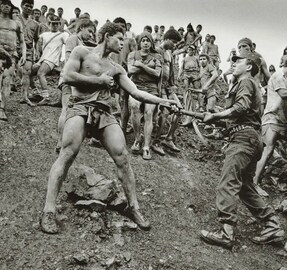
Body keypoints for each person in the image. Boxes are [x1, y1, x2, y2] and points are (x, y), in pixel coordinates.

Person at [40, 22, 178, 234]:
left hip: (104, 113)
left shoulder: (117, 68)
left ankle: (134, 208)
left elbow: (137, 93)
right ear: (107, 37)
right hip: (80, 107)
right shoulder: (81, 52)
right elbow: (67, 76)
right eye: (119, 38)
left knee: (123, 156)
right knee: (67, 153)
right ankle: (48, 211)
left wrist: (165, 101)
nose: (123, 42)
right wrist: (99, 80)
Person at [199, 51, 285, 249]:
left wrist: (216, 115)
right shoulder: (248, 85)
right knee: (245, 187)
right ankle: (272, 225)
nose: (234, 63)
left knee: (228, 182)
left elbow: (241, 107)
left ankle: (226, 233)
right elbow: (241, 116)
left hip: (243, 139)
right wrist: (213, 118)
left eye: (239, 61)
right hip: (252, 138)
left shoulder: (245, 83)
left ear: (249, 67)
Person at [253, 52, 287, 189]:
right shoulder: (278, 76)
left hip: (282, 123)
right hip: (271, 119)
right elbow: (283, 95)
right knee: (268, 149)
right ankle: (253, 183)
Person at [56, 19, 96, 152]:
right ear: (82, 27)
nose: (91, 35)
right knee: (66, 109)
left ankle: (66, 142)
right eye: (89, 31)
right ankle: (60, 142)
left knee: (72, 112)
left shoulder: (83, 43)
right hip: (69, 80)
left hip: (77, 81)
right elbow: (68, 60)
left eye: (93, 33)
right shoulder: (73, 39)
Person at [128, 31, 162, 160]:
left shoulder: (157, 56)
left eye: (148, 40)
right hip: (135, 87)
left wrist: (141, 65)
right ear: (139, 42)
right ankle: (137, 139)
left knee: (149, 113)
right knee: (135, 107)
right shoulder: (132, 54)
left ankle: (146, 147)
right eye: (143, 40)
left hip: (151, 89)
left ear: (152, 43)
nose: (146, 42)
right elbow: (130, 70)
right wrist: (149, 68)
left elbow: (157, 74)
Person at [151, 29, 183, 155]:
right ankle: (156, 141)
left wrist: (172, 85)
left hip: (167, 87)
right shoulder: (157, 50)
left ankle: (168, 138)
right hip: (158, 87)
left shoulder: (170, 53)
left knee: (179, 110)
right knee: (164, 111)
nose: (175, 45)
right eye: (173, 41)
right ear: (166, 39)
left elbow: (169, 72)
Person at [32, 15, 69, 105]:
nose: (55, 25)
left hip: (52, 59)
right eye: (53, 24)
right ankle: (37, 92)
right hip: (43, 58)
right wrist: (37, 52)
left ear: (59, 24)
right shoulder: (44, 34)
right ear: (49, 24)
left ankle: (46, 97)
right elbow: (37, 41)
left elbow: (69, 44)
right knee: (29, 72)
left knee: (40, 74)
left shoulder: (63, 34)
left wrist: (65, 59)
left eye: (57, 24)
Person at [0, 0, 26, 120]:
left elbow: (22, 41)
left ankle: (2, 109)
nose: (6, 6)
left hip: (11, 55)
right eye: (3, 4)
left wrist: (24, 54)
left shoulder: (16, 23)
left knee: (6, 81)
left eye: (8, 5)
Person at [18, 0, 39, 107]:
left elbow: (36, 40)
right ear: (22, 6)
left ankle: (24, 96)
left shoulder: (35, 24)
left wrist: (36, 52)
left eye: (31, 6)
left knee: (27, 72)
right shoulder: (15, 18)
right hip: (15, 47)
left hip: (29, 49)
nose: (29, 8)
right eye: (26, 6)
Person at [177, 45, 200, 126]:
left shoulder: (196, 58)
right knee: (186, 90)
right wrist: (179, 75)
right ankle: (187, 104)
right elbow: (181, 68)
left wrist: (200, 75)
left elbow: (200, 66)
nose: (190, 51)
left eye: (192, 50)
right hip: (186, 74)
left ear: (194, 51)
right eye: (189, 49)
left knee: (197, 89)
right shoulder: (184, 59)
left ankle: (199, 105)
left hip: (195, 73)